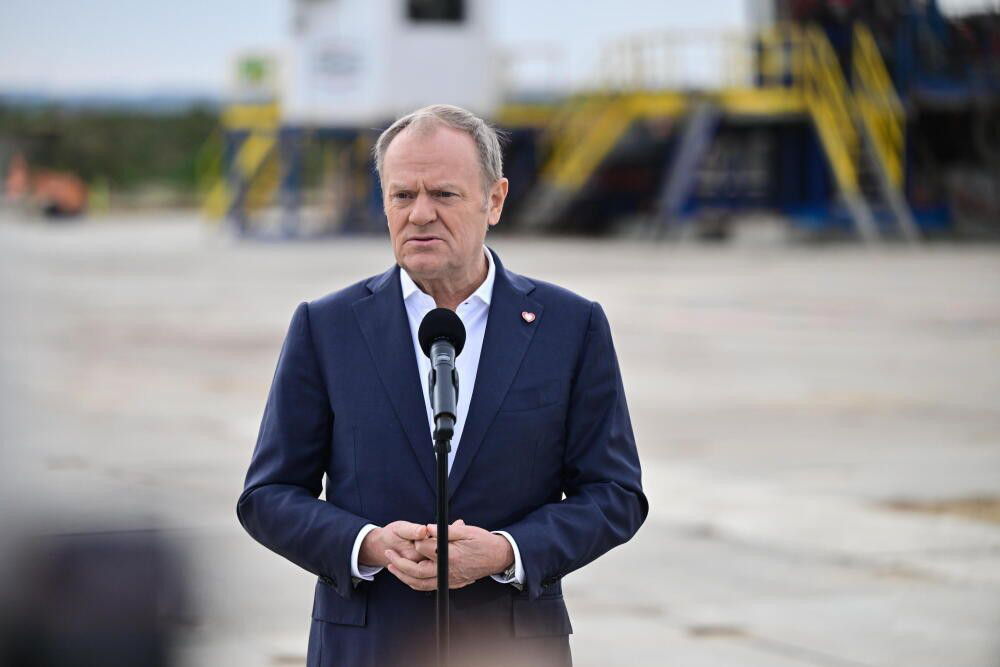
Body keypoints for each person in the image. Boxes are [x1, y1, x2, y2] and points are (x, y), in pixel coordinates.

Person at [237, 104, 647, 667]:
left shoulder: (571, 325)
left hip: (509, 649)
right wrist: (368, 545)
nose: (420, 214)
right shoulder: (326, 326)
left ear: (495, 200)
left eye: (444, 195)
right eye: (402, 195)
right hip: (367, 648)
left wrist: (507, 552)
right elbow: (268, 495)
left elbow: (615, 493)